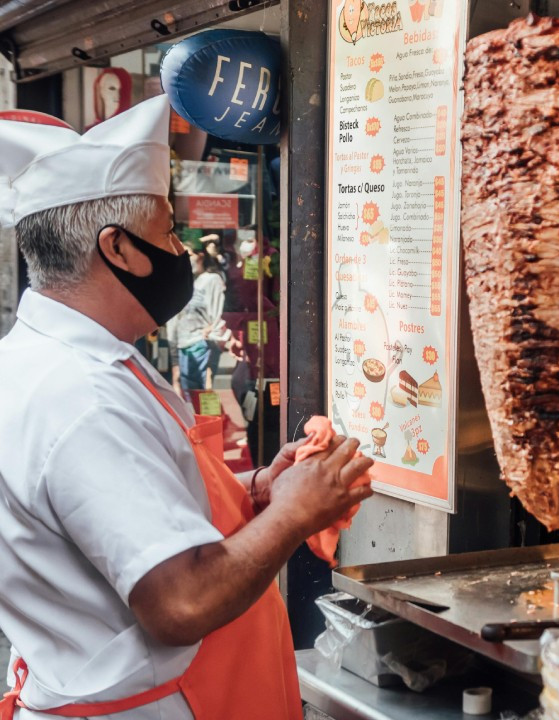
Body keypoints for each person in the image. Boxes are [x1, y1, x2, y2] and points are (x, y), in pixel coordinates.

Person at [0, 96, 373, 720]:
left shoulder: (52, 361)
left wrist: (255, 490)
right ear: (118, 249)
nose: (180, 246)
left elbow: (127, 509)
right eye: (168, 230)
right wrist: (291, 517)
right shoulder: (81, 396)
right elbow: (182, 605)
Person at [168, 249, 227, 391]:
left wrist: (212, 338)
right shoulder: (183, 282)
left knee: (204, 395)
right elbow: (174, 320)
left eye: (189, 255)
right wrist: (174, 357)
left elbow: (217, 310)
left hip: (202, 343)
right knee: (189, 397)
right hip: (183, 345)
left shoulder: (211, 279)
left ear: (200, 256)